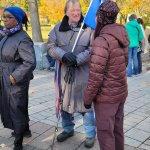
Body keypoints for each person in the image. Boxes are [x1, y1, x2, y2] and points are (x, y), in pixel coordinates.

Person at [47, 0, 96, 148]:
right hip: (64, 75)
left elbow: (92, 49)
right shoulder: (57, 28)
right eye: (72, 10)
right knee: (64, 103)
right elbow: (50, 47)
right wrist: (63, 55)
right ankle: (68, 129)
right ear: (66, 12)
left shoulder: (88, 29)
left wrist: (77, 60)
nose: (76, 13)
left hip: (83, 74)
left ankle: (90, 134)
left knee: (85, 106)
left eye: (78, 9)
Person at [84, 1, 130, 150]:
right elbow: (125, 63)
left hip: (106, 98)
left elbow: (95, 76)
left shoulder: (101, 41)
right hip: (120, 94)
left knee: (105, 134)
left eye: (97, 15)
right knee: (117, 130)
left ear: (100, 17)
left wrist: (87, 99)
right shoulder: (121, 35)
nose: (95, 18)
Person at [0, 6, 36, 150]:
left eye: (9, 17)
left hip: (15, 79)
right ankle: (23, 130)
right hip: (4, 76)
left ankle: (18, 142)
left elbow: (30, 62)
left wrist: (14, 77)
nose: (5, 20)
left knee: (17, 109)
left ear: (18, 19)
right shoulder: (7, 35)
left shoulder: (23, 39)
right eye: (4, 16)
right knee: (11, 107)